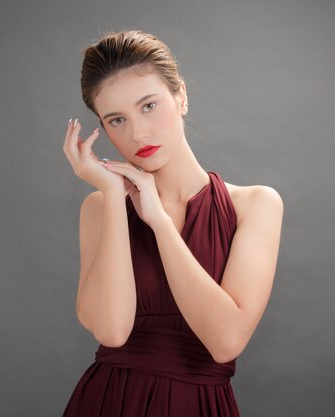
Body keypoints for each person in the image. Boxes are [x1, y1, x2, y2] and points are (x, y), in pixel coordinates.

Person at [61, 29, 283, 417]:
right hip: (108, 403)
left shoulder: (255, 205)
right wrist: (115, 196)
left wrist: (159, 223)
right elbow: (112, 332)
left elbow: (226, 341)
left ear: (181, 96)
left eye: (148, 106)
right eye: (116, 120)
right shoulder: (100, 208)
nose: (138, 133)